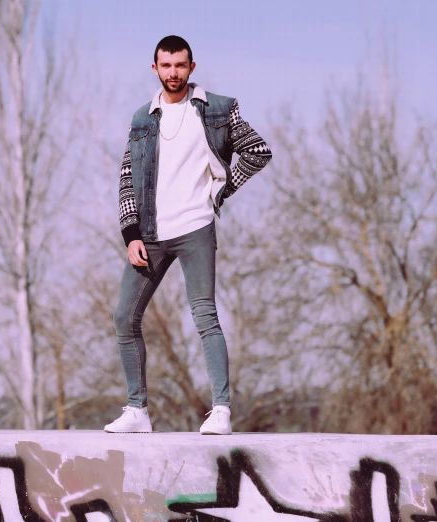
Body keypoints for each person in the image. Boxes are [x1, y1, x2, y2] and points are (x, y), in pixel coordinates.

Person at [105, 35, 272, 435]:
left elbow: (258, 150)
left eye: (180, 65)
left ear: (191, 67)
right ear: (155, 68)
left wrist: (221, 189)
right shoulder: (142, 118)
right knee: (124, 316)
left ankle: (221, 409)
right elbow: (128, 176)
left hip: (196, 226)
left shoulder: (216, 109)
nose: (173, 73)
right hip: (151, 232)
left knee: (204, 315)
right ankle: (137, 411)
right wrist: (131, 233)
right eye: (166, 66)